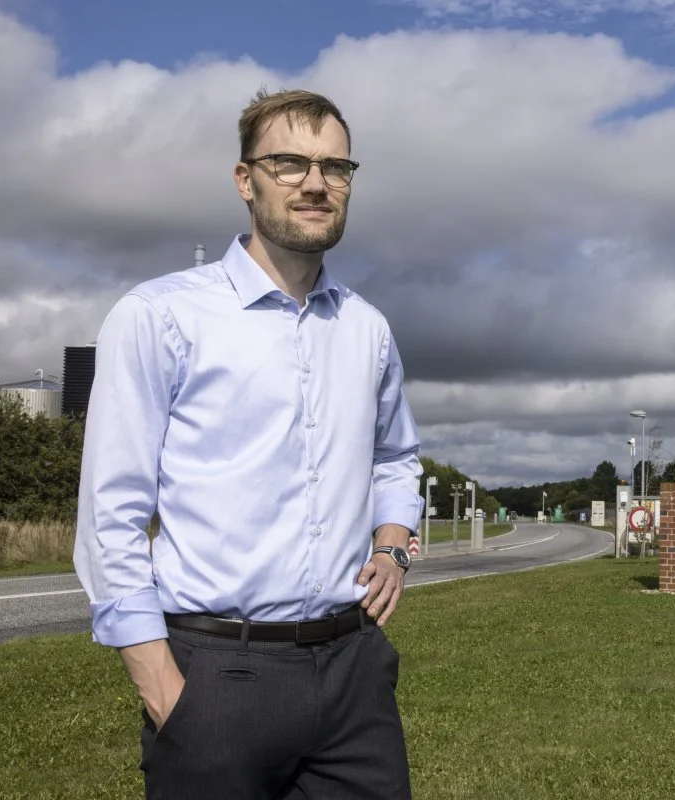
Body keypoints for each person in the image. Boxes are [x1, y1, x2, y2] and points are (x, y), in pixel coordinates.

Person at [73, 88, 423, 800]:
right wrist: (167, 691)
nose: (317, 183)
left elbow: (395, 457)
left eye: (336, 167)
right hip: (215, 677)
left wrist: (391, 541)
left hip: (354, 676)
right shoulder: (160, 317)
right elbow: (111, 517)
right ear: (245, 180)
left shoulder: (367, 329)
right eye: (289, 162)